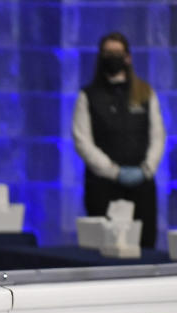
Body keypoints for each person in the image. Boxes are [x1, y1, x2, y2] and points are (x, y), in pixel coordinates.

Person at [72, 32, 164, 248]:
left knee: (144, 248)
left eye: (117, 53)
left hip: (141, 185)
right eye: (108, 53)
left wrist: (147, 169)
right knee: (105, 249)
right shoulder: (89, 95)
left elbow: (158, 136)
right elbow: (82, 140)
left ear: (128, 57)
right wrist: (113, 171)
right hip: (103, 186)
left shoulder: (144, 92)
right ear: (100, 57)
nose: (113, 57)